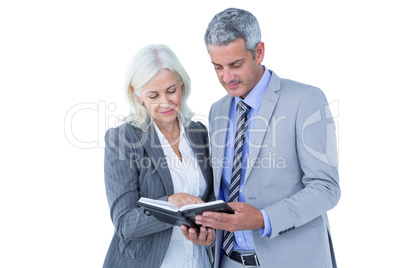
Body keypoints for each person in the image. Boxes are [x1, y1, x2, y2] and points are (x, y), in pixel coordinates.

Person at [182, 8, 340, 268]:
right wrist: (206, 229)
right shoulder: (218, 109)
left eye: (235, 65)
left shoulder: (305, 100)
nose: (227, 77)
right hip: (228, 261)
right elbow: (223, 187)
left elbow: (326, 188)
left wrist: (263, 218)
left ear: (259, 52)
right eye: (217, 67)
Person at [103, 44, 215, 268]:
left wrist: (210, 233)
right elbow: (125, 224)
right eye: (154, 95)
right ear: (138, 94)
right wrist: (170, 203)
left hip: (197, 261)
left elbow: (208, 200)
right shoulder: (123, 139)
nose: (165, 103)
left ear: (181, 85)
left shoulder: (198, 133)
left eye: (171, 91)